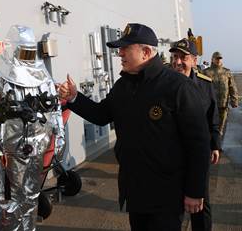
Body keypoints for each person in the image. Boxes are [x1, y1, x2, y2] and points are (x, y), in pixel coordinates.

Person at [58, 23, 211, 231]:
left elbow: (198, 143)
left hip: (167, 193)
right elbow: (101, 115)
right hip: (135, 191)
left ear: (146, 52)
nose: (119, 53)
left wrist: (195, 190)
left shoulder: (178, 87)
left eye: (125, 48)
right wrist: (74, 98)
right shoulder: (123, 86)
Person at [0, 25, 65, 231]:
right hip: (9, 150)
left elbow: (54, 106)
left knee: (31, 196)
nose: (28, 57)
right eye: (24, 52)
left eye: (31, 52)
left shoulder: (40, 74)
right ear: (12, 49)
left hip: (36, 146)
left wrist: (59, 135)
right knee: (9, 200)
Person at [170, 38, 221, 231]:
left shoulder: (204, 84)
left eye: (183, 57)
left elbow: (212, 116)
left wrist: (215, 144)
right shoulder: (162, 83)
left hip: (197, 154)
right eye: (174, 57)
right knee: (172, 206)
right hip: (170, 155)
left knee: (201, 203)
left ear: (194, 60)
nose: (177, 62)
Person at [203, 51, 239, 137]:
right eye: (216, 58)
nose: (218, 60)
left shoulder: (227, 72)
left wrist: (234, 100)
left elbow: (232, 86)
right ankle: (212, 145)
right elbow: (202, 87)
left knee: (221, 128)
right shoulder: (206, 72)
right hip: (210, 105)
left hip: (223, 104)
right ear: (212, 59)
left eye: (220, 58)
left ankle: (218, 146)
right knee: (210, 126)